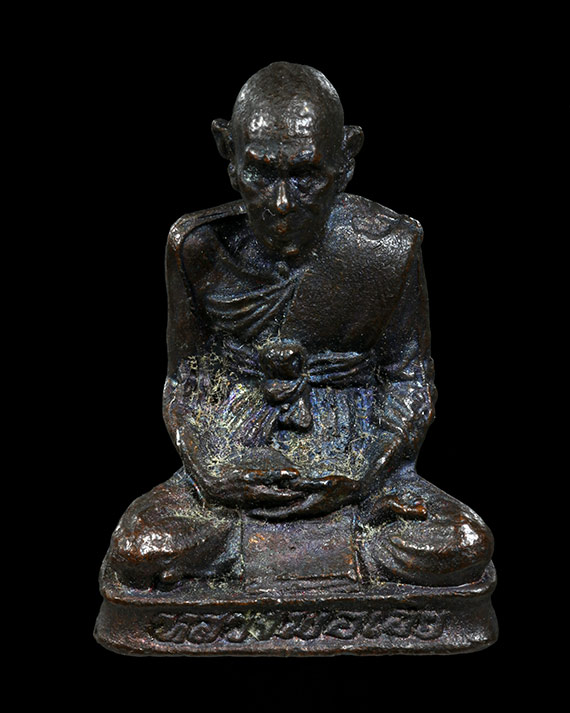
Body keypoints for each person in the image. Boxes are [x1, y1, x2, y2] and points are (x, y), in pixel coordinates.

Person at [104, 62, 493, 590]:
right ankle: (327, 557)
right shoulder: (197, 248)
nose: (282, 203)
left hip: (356, 468)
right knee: (140, 549)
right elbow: (187, 384)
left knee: (463, 544)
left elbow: (411, 382)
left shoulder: (387, 249)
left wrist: (365, 474)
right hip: (237, 463)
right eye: (261, 174)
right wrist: (211, 475)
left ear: (346, 160)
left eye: (306, 176)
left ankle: (262, 558)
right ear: (229, 155)